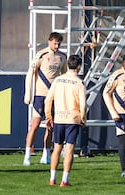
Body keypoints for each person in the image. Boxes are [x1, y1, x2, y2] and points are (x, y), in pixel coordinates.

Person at [23, 32, 67, 166]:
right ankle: (27, 155)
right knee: (35, 124)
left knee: (50, 125)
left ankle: (46, 155)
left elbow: (64, 76)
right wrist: (28, 93)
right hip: (40, 95)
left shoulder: (62, 57)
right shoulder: (41, 55)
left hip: (54, 96)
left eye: (59, 43)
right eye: (55, 43)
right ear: (49, 42)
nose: (57, 46)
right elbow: (30, 73)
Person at [45, 55, 86, 186]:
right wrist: (83, 118)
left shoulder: (58, 80)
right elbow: (83, 104)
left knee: (57, 148)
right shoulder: (79, 83)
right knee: (69, 150)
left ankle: (52, 178)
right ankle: (65, 180)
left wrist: (48, 116)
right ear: (79, 67)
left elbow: (48, 99)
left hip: (59, 118)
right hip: (72, 119)